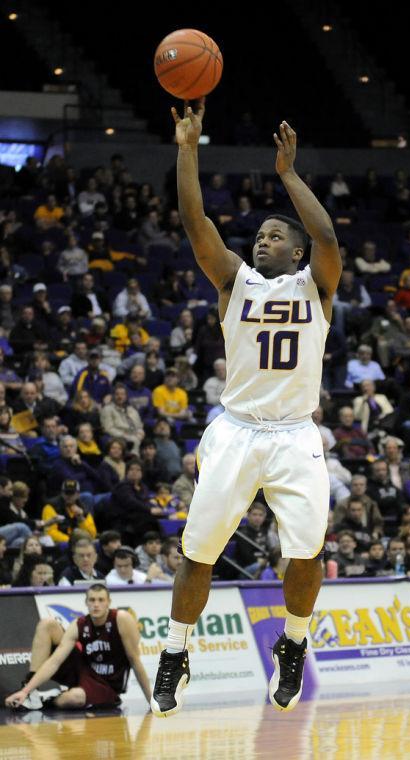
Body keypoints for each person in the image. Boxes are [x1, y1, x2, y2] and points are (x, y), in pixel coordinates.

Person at [151, 101, 342, 718]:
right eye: (259, 234)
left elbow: (329, 237)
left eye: (275, 235)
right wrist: (188, 146)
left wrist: (288, 174)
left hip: (294, 435)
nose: (263, 238)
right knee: (198, 553)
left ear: (295, 254)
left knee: (308, 550)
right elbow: (194, 219)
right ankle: (176, 652)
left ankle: (293, 641)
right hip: (235, 430)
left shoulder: (318, 285)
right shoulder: (233, 281)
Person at [5, 583, 151, 710]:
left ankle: (49, 700)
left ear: (108, 602)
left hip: (108, 684)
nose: (96, 604)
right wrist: (26, 690)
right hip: (85, 672)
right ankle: (31, 695)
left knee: (73, 698)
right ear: (86, 602)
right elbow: (55, 661)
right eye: (92, 600)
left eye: (101, 600)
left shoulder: (121, 619)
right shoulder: (79, 624)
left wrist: (151, 700)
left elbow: (135, 660)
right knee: (47, 624)